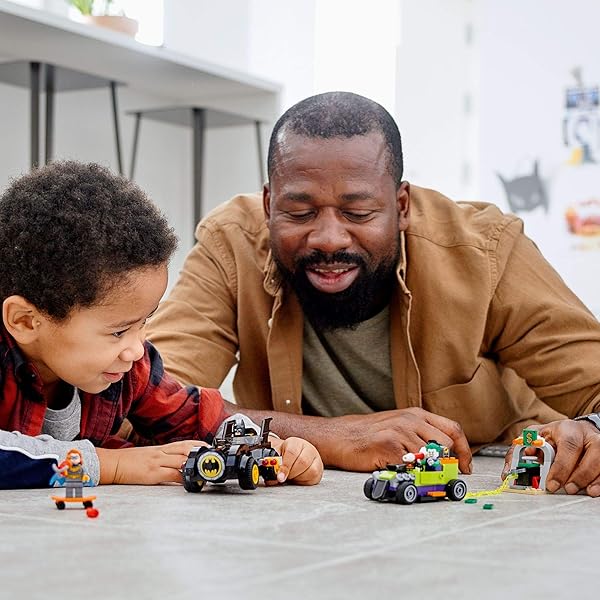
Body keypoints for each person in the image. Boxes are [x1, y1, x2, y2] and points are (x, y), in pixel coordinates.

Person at [146, 91, 600, 497]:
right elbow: (145, 397)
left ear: (401, 206)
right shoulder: (232, 244)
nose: (328, 239)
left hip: (487, 494)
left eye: (358, 213)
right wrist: (336, 437)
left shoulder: (486, 252)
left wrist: (589, 431)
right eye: (299, 213)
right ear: (269, 205)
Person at [0, 161, 323, 489]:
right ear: (25, 321)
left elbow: (194, 415)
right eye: (118, 331)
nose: (136, 348)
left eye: (144, 322)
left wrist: (266, 448)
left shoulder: (129, 368)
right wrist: (112, 465)